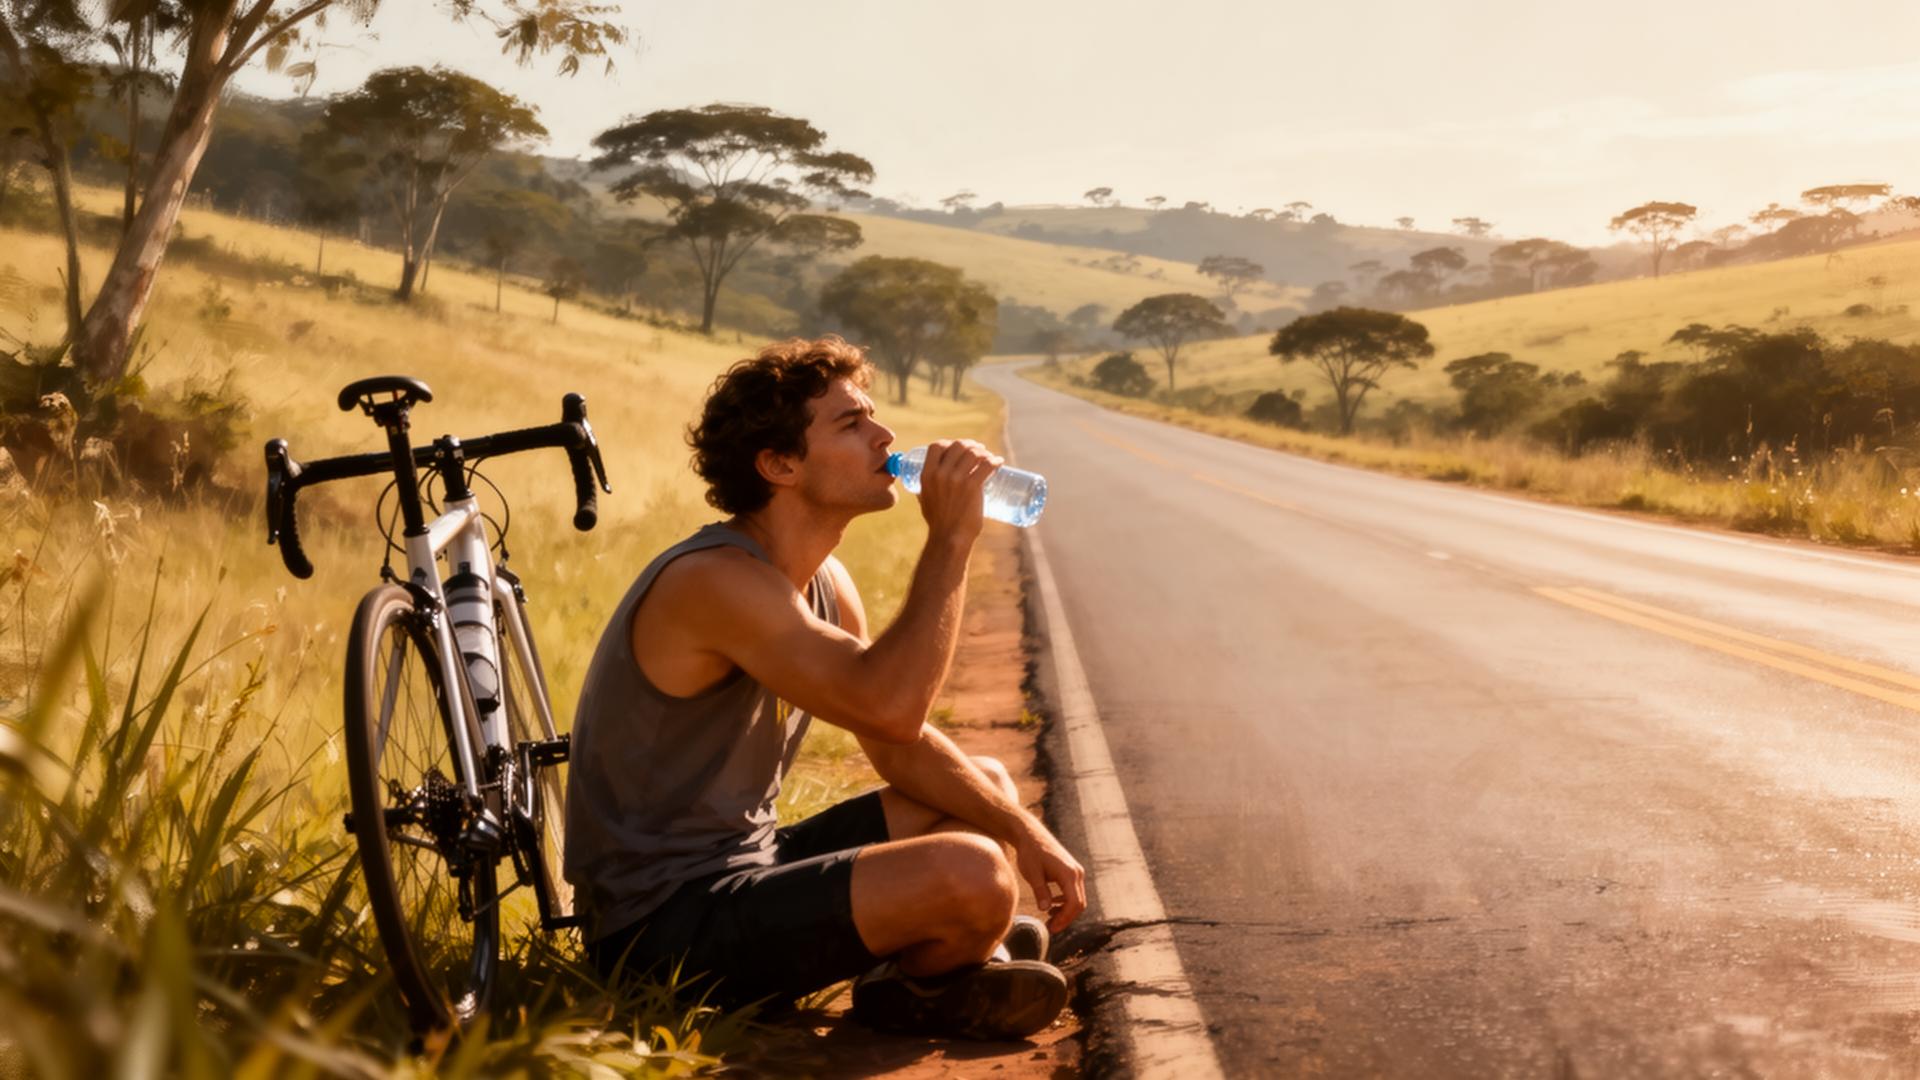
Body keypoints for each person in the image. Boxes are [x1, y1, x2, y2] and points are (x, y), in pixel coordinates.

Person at [563, 335, 1086, 1040]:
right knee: (975, 875)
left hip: (749, 861)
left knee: (985, 786)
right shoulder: (716, 581)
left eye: (873, 416)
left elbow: (895, 748)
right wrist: (952, 541)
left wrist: (1021, 828)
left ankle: (931, 970)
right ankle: (937, 971)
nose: (887, 435)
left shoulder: (823, 583)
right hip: (660, 930)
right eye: (852, 423)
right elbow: (893, 709)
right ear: (779, 465)